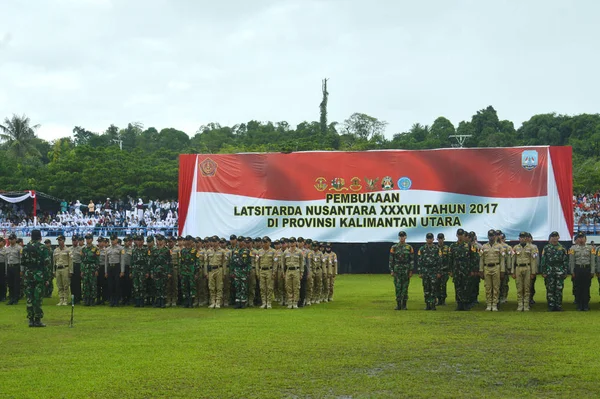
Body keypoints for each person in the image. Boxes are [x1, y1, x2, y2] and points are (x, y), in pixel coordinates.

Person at [22, 229, 51, 327]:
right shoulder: (43, 248)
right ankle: (37, 319)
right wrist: (47, 278)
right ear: (40, 237)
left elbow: (23, 262)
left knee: (29, 297)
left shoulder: (26, 248)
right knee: (38, 298)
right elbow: (47, 264)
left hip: (28, 274)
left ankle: (30, 319)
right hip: (39, 275)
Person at [540, 231, 569, 312]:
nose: (554, 238)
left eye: (556, 236)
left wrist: (565, 271)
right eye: (553, 237)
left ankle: (558, 305)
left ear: (558, 237)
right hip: (549, 271)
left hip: (560, 270)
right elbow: (543, 260)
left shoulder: (562, 248)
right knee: (550, 288)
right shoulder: (546, 248)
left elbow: (565, 261)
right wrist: (543, 271)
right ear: (550, 238)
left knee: (559, 289)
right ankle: (551, 306)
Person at [478, 229, 506, 311]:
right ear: (488, 236)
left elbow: (502, 260)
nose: (491, 237)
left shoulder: (499, 247)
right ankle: (488, 304)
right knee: (488, 287)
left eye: (493, 235)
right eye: (490, 236)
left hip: (496, 267)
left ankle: (494, 304)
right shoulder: (484, 247)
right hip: (486, 268)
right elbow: (481, 259)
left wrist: (502, 271)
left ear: (495, 236)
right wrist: (481, 270)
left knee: (496, 287)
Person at [569, 231, 595, 311]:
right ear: (577, 239)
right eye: (579, 238)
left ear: (585, 239)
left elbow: (592, 260)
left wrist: (592, 271)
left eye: (582, 237)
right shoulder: (572, 249)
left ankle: (586, 305)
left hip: (587, 269)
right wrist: (572, 271)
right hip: (577, 269)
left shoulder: (591, 248)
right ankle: (579, 305)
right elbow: (571, 261)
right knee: (578, 287)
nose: (581, 239)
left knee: (586, 287)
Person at [512, 232, 537, 311]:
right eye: (521, 237)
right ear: (519, 238)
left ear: (526, 238)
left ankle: (526, 305)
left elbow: (533, 260)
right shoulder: (515, 248)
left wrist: (533, 272)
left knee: (527, 287)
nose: (522, 239)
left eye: (524, 237)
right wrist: (513, 271)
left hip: (527, 268)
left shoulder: (532, 248)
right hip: (518, 268)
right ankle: (520, 304)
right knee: (519, 287)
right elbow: (513, 260)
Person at [389, 231, 414, 310]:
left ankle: (404, 305)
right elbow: (391, 260)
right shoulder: (394, 247)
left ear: (405, 237)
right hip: (397, 269)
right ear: (398, 237)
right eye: (400, 236)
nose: (401, 238)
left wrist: (411, 270)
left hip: (406, 269)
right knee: (398, 287)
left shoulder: (409, 247)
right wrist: (391, 270)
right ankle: (398, 304)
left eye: (403, 236)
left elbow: (412, 260)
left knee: (405, 287)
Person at [417, 233, 442, 310]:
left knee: (434, 288)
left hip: (433, 270)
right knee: (426, 288)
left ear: (433, 239)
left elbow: (439, 261)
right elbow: (419, 261)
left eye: (431, 238)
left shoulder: (437, 249)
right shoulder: (422, 249)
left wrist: (439, 272)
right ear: (426, 239)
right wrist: (420, 272)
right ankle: (427, 304)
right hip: (425, 270)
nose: (429, 239)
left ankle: (433, 304)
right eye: (428, 238)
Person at [231, 237, 252, 308]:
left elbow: (249, 263)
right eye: (238, 241)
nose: (239, 242)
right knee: (237, 287)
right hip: (236, 271)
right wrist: (232, 271)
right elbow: (232, 262)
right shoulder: (234, 250)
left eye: (241, 241)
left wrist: (248, 271)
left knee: (243, 287)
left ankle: (243, 302)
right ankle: (237, 302)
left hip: (244, 271)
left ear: (243, 242)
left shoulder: (247, 251)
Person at [151, 235, 172, 308]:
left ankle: (163, 302)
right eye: (157, 240)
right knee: (157, 286)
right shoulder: (154, 250)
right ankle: (158, 301)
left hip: (164, 270)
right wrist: (152, 272)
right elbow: (152, 262)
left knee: (163, 286)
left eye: (160, 240)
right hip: (156, 270)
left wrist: (169, 272)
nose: (159, 242)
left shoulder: (166, 250)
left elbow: (169, 262)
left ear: (163, 241)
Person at [206, 237, 227, 308]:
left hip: (219, 269)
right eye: (212, 241)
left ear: (218, 242)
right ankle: (213, 302)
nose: (214, 243)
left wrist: (224, 273)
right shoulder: (208, 251)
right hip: (211, 270)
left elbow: (224, 263)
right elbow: (206, 262)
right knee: (211, 287)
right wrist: (206, 273)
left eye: (215, 241)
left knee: (219, 286)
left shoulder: (222, 251)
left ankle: (218, 302)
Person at [105, 235, 125, 307]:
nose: (112, 241)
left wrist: (122, 271)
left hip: (117, 267)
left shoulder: (120, 248)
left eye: (114, 239)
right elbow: (106, 261)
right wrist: (106, 271)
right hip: (110, 267)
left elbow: (122, 260)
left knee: (117, 285)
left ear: (117, 240)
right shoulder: (107, 249)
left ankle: (116, 300)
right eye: (111, 240)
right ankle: (112, 300)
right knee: (110, 285)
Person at [257, 236, 276, 309]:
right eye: (263, 242)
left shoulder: (273, 251)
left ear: (269, 243)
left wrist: (274, 272)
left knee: (269, 287)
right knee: (262, 288)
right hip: (261, 270)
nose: (264, 244)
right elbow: (257, 262)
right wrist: (257, 272)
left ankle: (269, 303)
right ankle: (264, 302)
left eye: (266, 242)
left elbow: (275, 263)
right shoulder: (259, 251)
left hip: (269, 271)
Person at [283, 237, 303, 309]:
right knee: (288, 287)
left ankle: (295, 302)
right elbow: (283, 263)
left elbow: (301, 263)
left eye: (293, 242)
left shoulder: (299, 252)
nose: (292, 243)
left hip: (296, 270)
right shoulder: (286, 252)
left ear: (295, 242)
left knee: (296, 287)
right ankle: (290, 302)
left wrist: (301, 273)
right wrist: (283, 272)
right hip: (288, 270)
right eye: (290, 242)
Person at [53, 235, 73, 306]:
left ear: (64, 240)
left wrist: (70, 271)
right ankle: (61, 299)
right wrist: (54, 271)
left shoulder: (68, 250)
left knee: (66, 285)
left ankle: (65, 300)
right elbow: (54, 262)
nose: (59, 241)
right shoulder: (55, 250)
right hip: (58, 269)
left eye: (60, 240)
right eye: (58, 240)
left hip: (65, 268)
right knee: (59, 285)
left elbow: (70, 261)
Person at [179, 236, 198, 308]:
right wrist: (180, 272)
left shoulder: (194, 251)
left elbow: (197, 262)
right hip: (184, 271)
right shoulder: (183, 251)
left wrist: (196, 272)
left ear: (191, 241)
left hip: (191, 271)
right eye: (186, 240)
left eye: (188, 240)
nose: (187, 241)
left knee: (192, 287)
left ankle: (191, 302)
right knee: (184, 287)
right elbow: (181, 262)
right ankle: (186, 301)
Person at [81, 234, 100, 306]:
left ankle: (92, 300)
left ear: (92, 239)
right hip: (85, 268)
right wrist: (82, 270)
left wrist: (96, 270)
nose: (87, 240)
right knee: (85, 284)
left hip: (92, 268)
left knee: (93, 284)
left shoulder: (95, 248)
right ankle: (86, 299)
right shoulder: (83, 248)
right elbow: (82, 260)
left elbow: (97, 260)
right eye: (86, 239)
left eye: (89, 239)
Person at [5, 233, 22, 305]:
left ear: (15, 239)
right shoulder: (7, 248)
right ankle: (11, 298)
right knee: (10, 284)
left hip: (16, 267)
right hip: (9, 267)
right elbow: (6, 260)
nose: (11, 240)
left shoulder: (19, 248)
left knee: (16, 284)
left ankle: (16, 299)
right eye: (10, 239)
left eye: (12, 239)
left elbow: (21, 259)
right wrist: (6, 269)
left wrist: (21, 270)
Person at [436, 233, 451, 306]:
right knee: (437, 285)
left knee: (443, 285)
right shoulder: (435, 248)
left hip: (445, 270)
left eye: (441, 238)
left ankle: (443, 300)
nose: (440, 240)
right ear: (437, 239)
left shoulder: (447, 248)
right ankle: (438, 300)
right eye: (439, 238)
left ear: (444, 239)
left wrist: (449, 270)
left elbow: (449, 259)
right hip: (437, 270)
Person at [166, 237, 180, 307]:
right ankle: (168, 300)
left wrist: (179, 271)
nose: (170, 243)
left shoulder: (177, 250)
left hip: (175, 268)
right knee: (168, 285)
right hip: (168, 268)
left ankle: (174, 300)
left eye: (171, 242)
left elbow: (179, 260)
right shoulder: (166, 249)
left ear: (174, 242)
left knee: (175, 284)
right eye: (168, 242)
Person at [70, 236, 83, 304]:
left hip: (78, 266)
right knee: (72, 284)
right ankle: (73, 298)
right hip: (72, 266)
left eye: (75, 240)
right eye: (73, 240)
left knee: (78, 283)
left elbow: (82, 259)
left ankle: (78, 298)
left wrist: (82, 270)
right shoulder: (70, 249)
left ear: (77, 241)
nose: (74, 242)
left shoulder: (81, 249)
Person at [121, 236, 133, 305]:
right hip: (123, 268)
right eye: (125, 241)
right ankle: (123, 298)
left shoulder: (132, 249)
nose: (126, 242)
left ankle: (128, 299)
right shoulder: (122, 249)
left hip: (129, 268)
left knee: (129, 284)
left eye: (127, 241)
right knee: (123, 284)